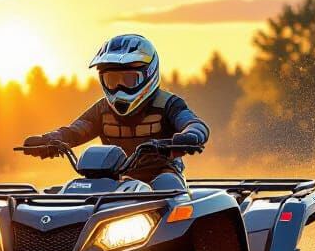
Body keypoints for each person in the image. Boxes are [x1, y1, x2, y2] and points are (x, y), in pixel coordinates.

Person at [21, 34, 208, 189]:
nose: (119, 88)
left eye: (128, 80)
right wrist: (49, 140)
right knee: (74, 189)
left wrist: (191, 136)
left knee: (167, 184)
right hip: (115, 182)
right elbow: (75, 131)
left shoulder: (168, 104)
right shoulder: (102, 109)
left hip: (163, 177)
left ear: (149, 74)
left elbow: (194, 123)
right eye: (112, 81)